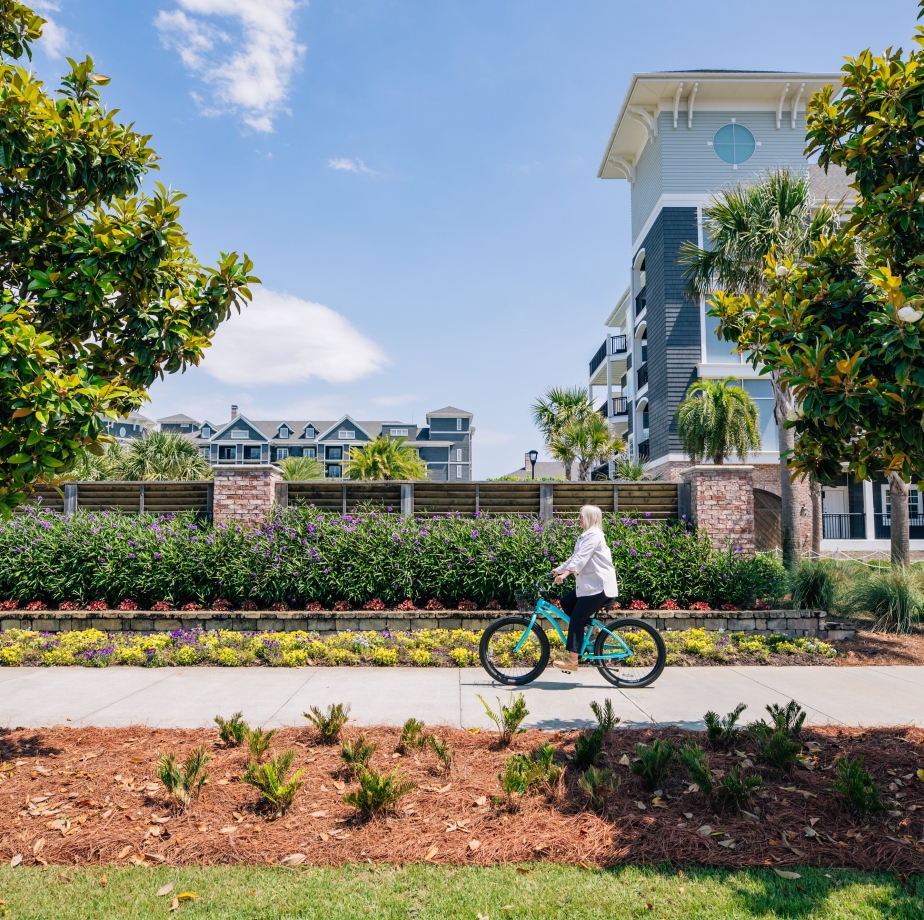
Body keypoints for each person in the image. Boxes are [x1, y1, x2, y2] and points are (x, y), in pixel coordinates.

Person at [551, 504, 618, 671]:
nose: (579, 519)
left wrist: (565, 574)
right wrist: (559, 570)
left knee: (577, 618)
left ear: (589, 518)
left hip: (599, 587)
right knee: (567, 602)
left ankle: (573, 659)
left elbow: (581, 559)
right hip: (591, 586)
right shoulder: (586, 536)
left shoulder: (594, 536)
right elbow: (575, 557)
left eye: (581, 516)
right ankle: (592, 627)